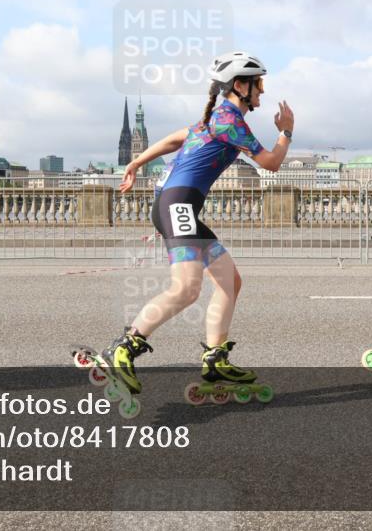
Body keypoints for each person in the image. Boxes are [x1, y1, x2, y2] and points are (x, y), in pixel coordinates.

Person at [103, 51, 294, 394]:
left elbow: (175, 139)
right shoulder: (230, 121)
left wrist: (135, 163)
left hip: (180, 206)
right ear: (240, 85)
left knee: (230, 282)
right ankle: (123, 348)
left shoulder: (216, 118)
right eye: (258, 84)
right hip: (178, 205)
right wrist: (286, 133)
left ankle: (215, 360)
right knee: (186, 289)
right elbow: (271, 163)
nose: (262, 91)